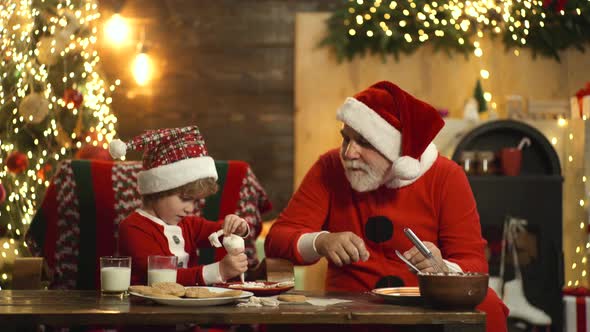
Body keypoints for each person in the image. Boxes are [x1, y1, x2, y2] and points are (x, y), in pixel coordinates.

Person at [265, 81, 509, 331]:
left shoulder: (446, 176)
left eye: (365, 143)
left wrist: (443, 267)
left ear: (399, 152)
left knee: (489, 305)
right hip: (348, 309)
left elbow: (475, 264)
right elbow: (277, 239)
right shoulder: (330, 166)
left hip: (425, 309)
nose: (349, 153)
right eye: (345, 139)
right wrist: (320, 241)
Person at [110, 125, 249, 286]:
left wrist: (238, 226)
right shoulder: (133, 228)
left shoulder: (188, 223)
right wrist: (219, 271)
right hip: (144, 307)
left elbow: (220, 231)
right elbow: (161, 280)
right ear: (158, 190)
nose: (190, 208)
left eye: (194, 200)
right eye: (185, 198)